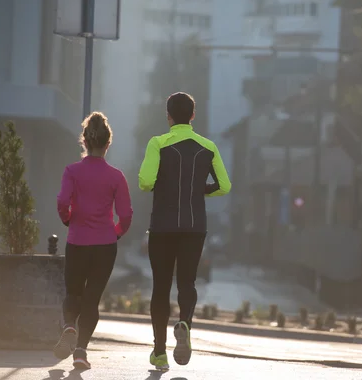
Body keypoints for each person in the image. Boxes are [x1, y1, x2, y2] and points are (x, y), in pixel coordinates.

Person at [138, 92, 231, 371]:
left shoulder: (158, 143)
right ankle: (185, 323)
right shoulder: (208, 147)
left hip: (162, 226)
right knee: (187, 282)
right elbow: (224, 186)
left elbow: (145, 181)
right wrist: (200, 190)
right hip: (194, 226)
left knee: (161, 287)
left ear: (168, 116)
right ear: (193, 116)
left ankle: (159, 353)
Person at [53, 112, 133, 370]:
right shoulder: (116, 176)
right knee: (91, 298)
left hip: (77, 242)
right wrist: (116, 232)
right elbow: (126, 215)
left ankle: (68, 326)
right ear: (107, 143)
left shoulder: (72, 171)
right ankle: (80, 351)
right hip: (104, 246)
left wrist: (67, 220)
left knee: (73, 293)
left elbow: (63, 202)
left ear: (84, 142)